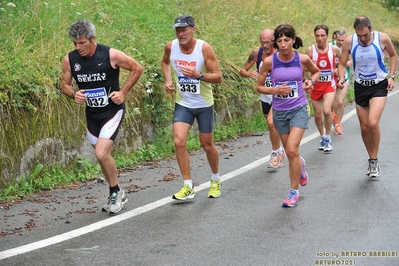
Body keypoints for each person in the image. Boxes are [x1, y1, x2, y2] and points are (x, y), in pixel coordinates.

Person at [61, 19, 143, 214]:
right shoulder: (70, 59)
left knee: (101, 153)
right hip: (92, 114)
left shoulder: (110, 54)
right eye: (75, 43)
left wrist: (123, 92)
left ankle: (115, 192)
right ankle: (117, 191)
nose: (78, 47)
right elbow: (64, 84)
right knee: (102, 157)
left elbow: (137, 68)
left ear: (93, 39)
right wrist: (74, 94)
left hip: (112, 111)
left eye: (82, 43)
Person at [257, 24, 320, 207]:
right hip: (279, 111)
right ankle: (299, 165)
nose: (283, 44)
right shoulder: (270, 61)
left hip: (299, 108)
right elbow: (259, 86)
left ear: (293, 40)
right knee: (292, 153)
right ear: (276, 43)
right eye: (280, 41)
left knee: (291, 150)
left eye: (286, 40)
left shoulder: (302, 59)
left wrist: (310, 81)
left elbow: (315, 72)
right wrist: (274, 90)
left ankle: (293, 192)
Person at [161, 15, 223, 200]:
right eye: (178, 30)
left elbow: (218, 76)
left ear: (193, 30)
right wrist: (168, 80)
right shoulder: (170, 47)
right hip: (184, 103)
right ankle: (188, 185)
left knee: (207, 145)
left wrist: (199, 75)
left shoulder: (203, 48)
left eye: (184, 30)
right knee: (179, 142)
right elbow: (164, 62)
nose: (181, 34)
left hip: (203, 104)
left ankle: (215, 179)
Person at [338, 16, 397, 178]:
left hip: (378, 85)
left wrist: (391, 76)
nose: (362, 39)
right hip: (361, 87)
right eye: (359, 36)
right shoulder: (349, 42)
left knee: (372, 123)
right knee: (364, 127)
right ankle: (372, 159)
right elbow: (342, 63)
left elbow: (393, 56)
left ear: (371, 29)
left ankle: (375, 158)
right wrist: (341, 77)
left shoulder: (382, 38)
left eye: (365, 35)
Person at [240, 28, 285, 168]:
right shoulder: (257, 53)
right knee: (271, 125)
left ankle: (275, 153)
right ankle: (281, 150)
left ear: (274, 40)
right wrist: (249, 74)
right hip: (265, 95)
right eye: (262, 42)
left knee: (272, 123)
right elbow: (242, 70)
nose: (265, 45)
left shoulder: (281, 53)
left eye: (268, 42)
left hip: (278, 95)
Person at [305, 25, 341, 152]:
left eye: (322, 35)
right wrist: (306, 81)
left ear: (327, 36)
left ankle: (328, 137)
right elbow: (303, 68)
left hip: (329, 85)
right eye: (317, 35)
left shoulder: (334, 49)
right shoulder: (310, 50)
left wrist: (338, 72)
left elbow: (343, 62)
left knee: (326, 111)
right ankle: (322, 136)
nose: (320, 38)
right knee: (318, 114)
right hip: (315, 86)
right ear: (315, 36)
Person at [332, 30, 352, 135]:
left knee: (340, 102)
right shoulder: (331, 47)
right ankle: (333, 116)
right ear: (335, 38)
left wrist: (343, 63)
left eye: (343, 40)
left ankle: (338, 124)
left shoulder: (349, 46)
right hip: (332, 77)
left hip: (344, 76)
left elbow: (350, 61)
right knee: (333, 104)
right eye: (339, 40)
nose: (341, 42)